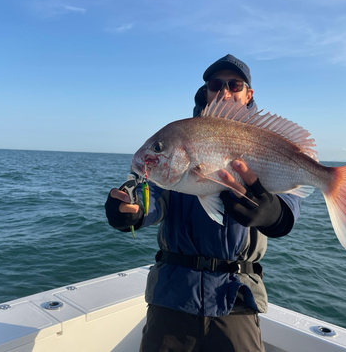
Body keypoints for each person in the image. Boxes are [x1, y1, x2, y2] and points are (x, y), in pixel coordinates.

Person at [105, 54, 301, 352]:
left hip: (236, 299)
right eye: (215, 84)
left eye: (235, 85)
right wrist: (131, 210)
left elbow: (287, 210)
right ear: (205, 92)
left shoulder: (268, 139)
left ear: (249, 93)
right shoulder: (179, 139)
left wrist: (272, 213)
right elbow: (150, 194)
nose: (224, 91)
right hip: (172, 297)